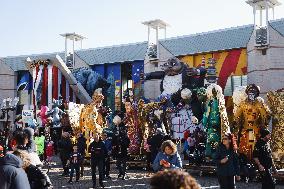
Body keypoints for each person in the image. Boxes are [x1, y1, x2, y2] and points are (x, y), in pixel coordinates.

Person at [112, 115, 130, 180]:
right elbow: (113, 139)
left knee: (124, 163)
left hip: (124, 150)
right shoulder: (115, 130)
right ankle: (121, 172)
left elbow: (127, 141)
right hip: (118, 150)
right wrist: (114, 145)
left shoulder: (124, 131)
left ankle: (124, 174)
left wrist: (123, 143)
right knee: (118, 163)